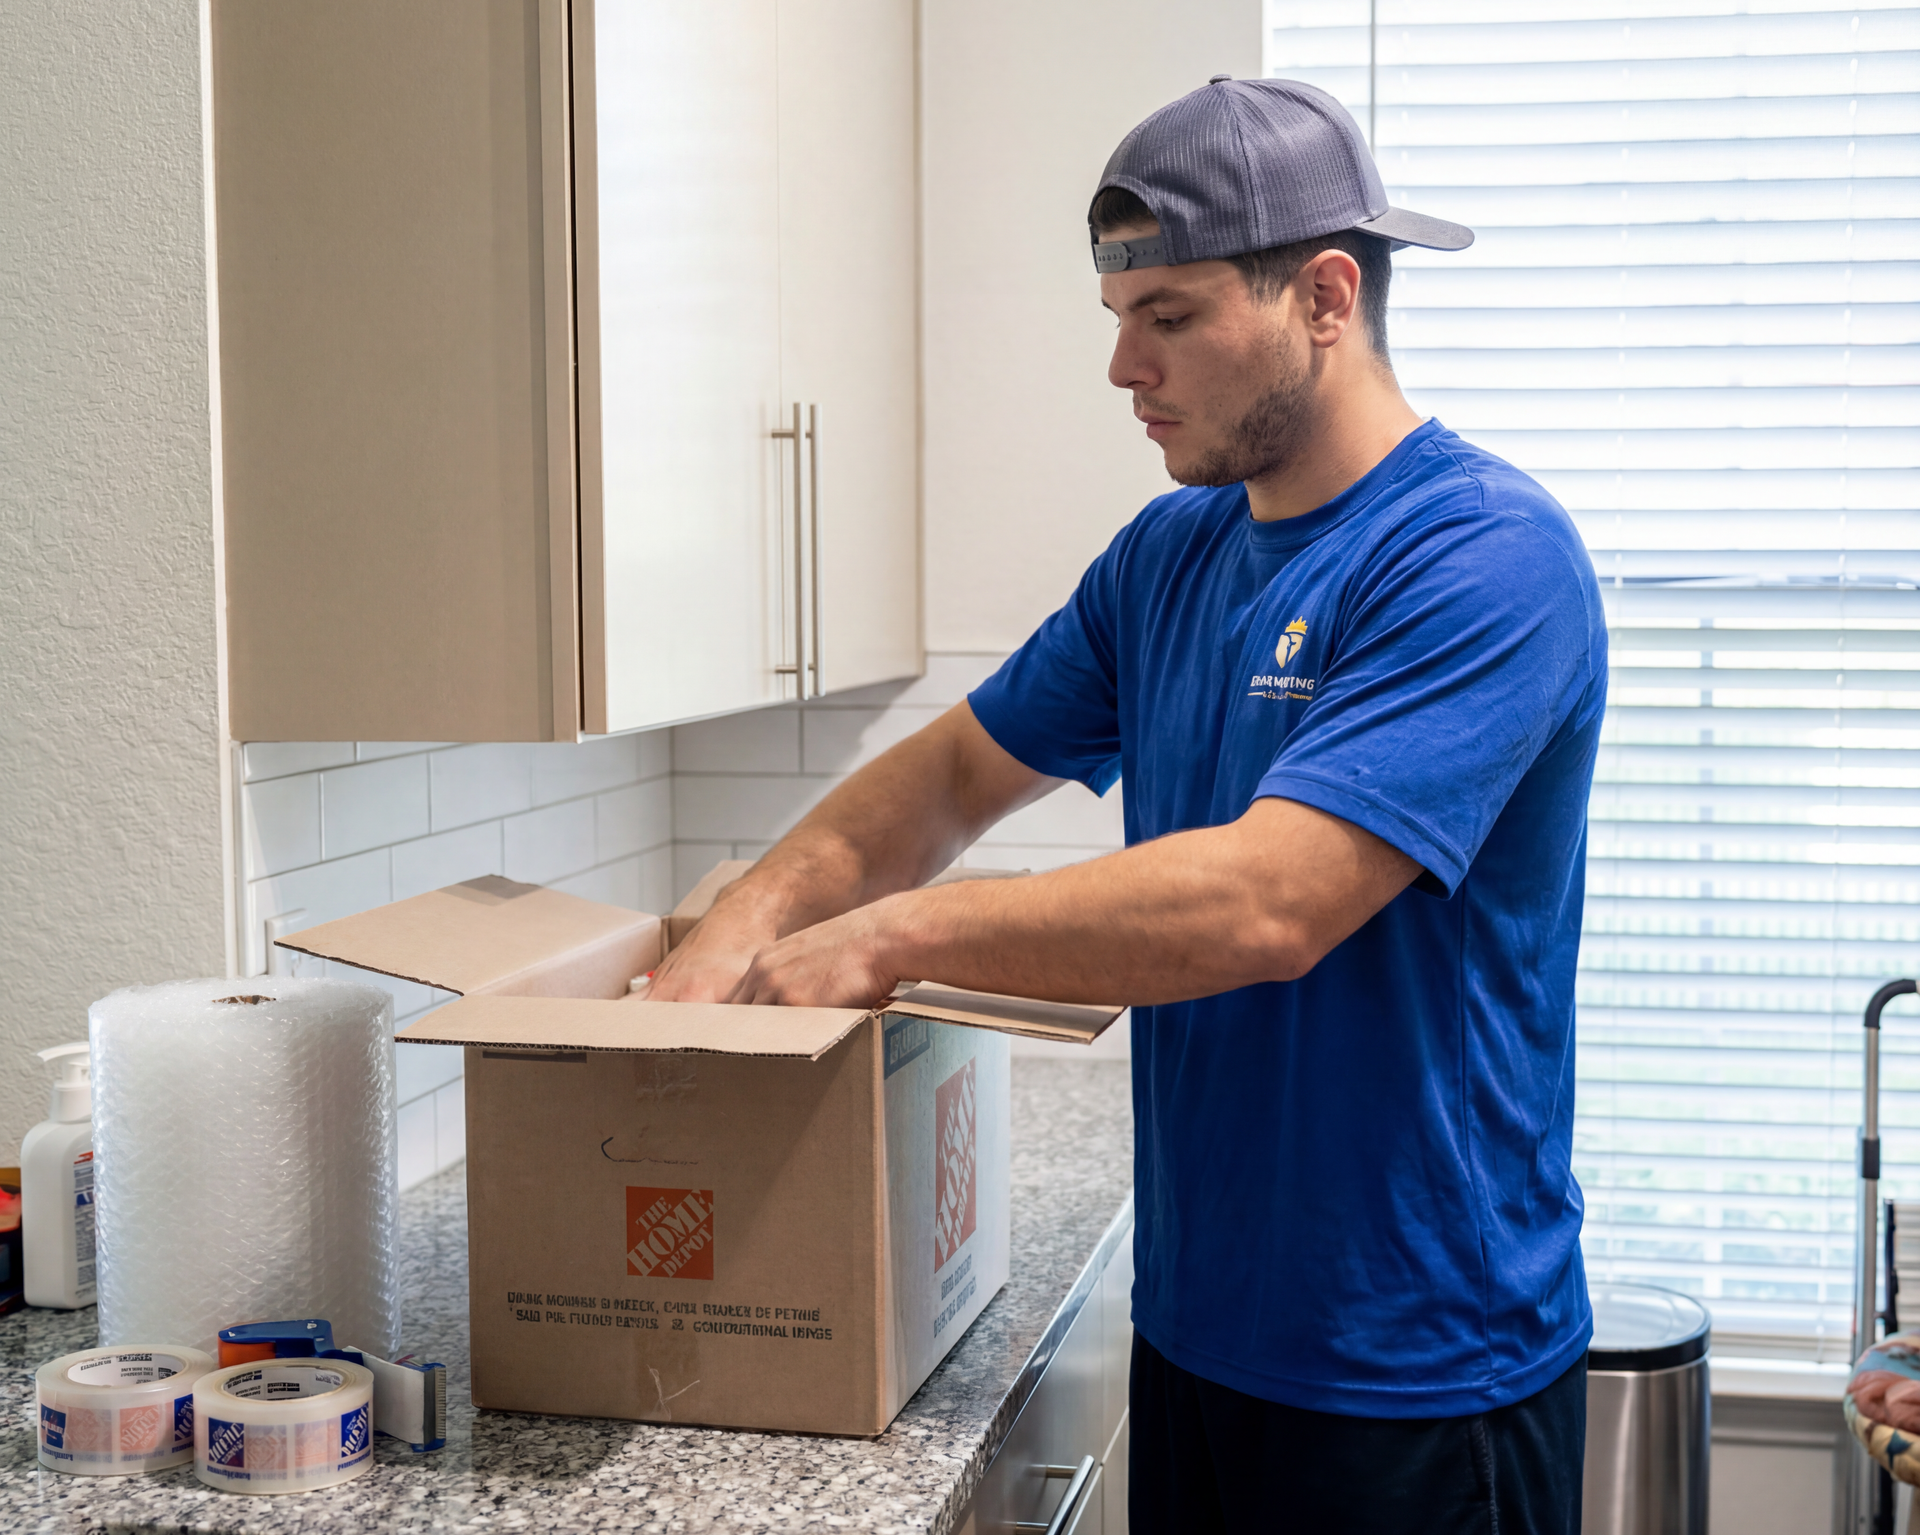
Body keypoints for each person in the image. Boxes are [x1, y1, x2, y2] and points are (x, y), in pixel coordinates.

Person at [652, 76, 1604, 1532]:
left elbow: (1270, 901)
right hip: (1203, 1327)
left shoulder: (1481, 559)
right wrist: (752, 917)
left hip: (1418, 1370)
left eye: (1170, 319)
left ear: (1326, 297)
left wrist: (884, 940)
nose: (1122, 367)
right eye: (1118, 318)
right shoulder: (1170, 557)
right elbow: (959, 772)